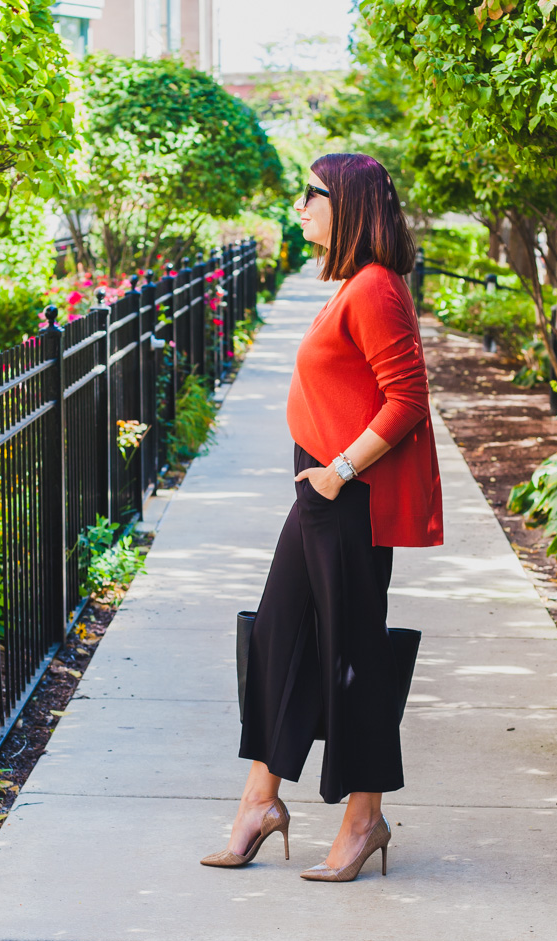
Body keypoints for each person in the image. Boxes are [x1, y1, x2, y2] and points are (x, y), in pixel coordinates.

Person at [200, 152, 443, 882]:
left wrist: (338, 473)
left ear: (348, 205)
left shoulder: (374, 289)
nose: (299, 206)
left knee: (350, 655)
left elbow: (407, 403)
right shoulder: (348, 286)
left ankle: (364, 818)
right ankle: (259, 803)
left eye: (311, 194)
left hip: (348, 498)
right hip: (319, 491)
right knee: (277, 636)